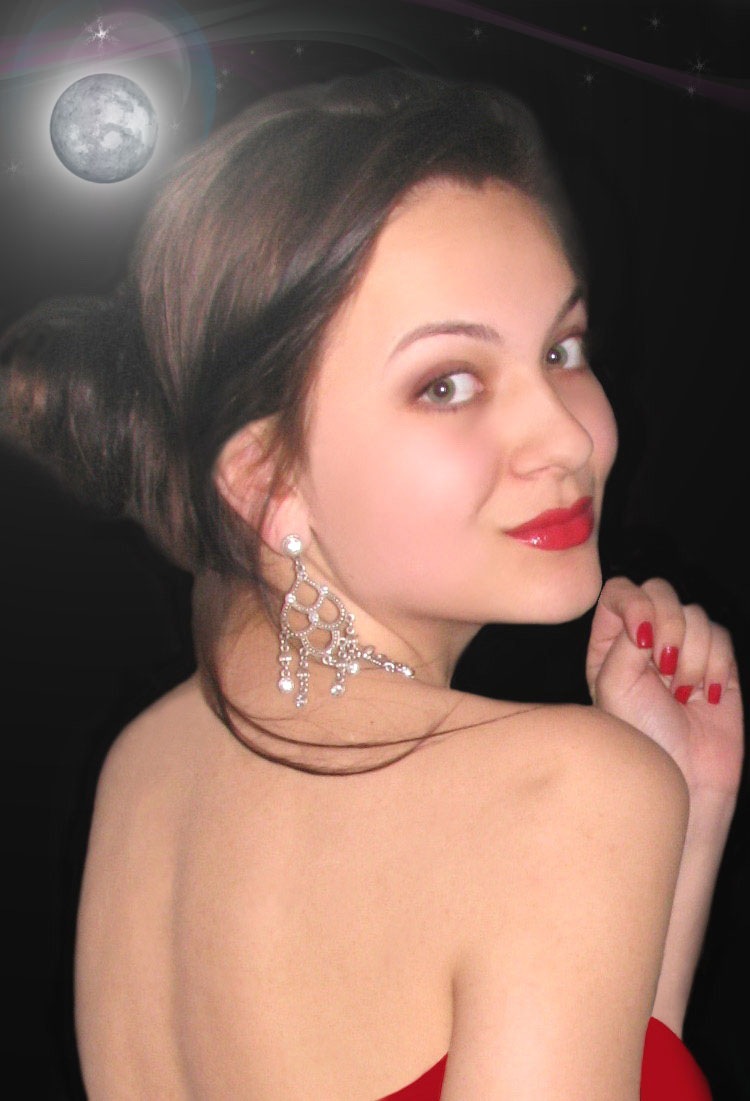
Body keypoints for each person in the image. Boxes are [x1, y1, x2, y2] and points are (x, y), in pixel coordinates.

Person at [0, 68, 742, 1100]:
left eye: (562, 348)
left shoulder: (148, 766)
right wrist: (623, 805)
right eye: (448, 384)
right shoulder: (557, 792)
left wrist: (685, 811)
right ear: (266, 479)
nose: (568, 436)